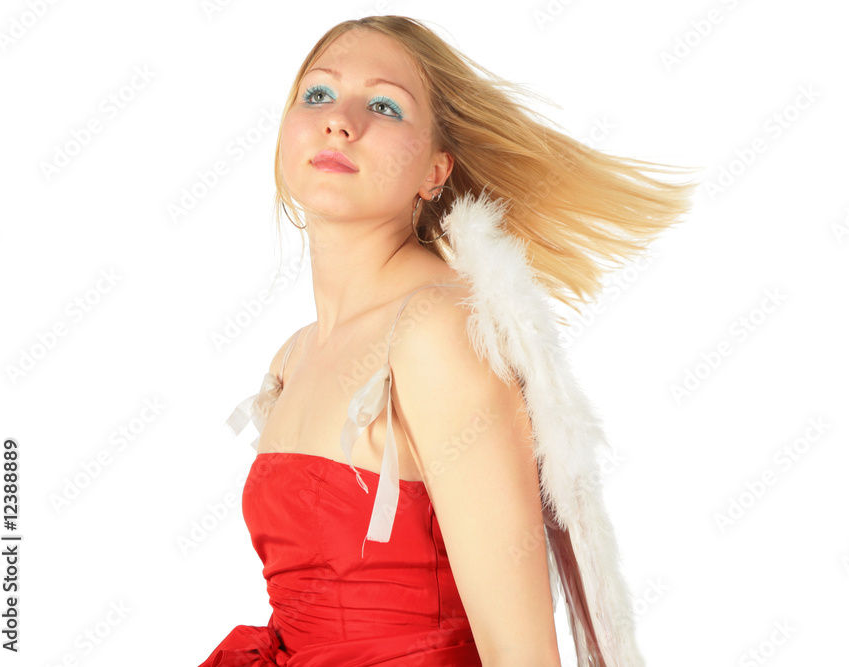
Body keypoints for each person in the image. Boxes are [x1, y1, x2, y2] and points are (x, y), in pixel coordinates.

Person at [198, 14, 696, 667]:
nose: (340, 120)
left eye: (384, 105)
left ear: (436, 172)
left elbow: (523, 655)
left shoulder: (434, 332)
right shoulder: (293, 356)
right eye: (317, 94)